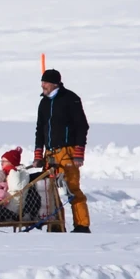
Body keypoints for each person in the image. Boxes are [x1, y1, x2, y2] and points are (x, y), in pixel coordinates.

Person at [34, 69, 90, 233]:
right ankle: (57, 225)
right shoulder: (44, 102)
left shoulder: (71, 99)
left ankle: (82, 225)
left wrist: (79, 153)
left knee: (71, 189)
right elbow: (40, 129)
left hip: (68, 152)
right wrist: (38, 154)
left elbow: (82, 126)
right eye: (42, 82)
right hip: (50, 154)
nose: (42, 85)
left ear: (54, 83)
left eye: (45, 82)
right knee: (51, 192)